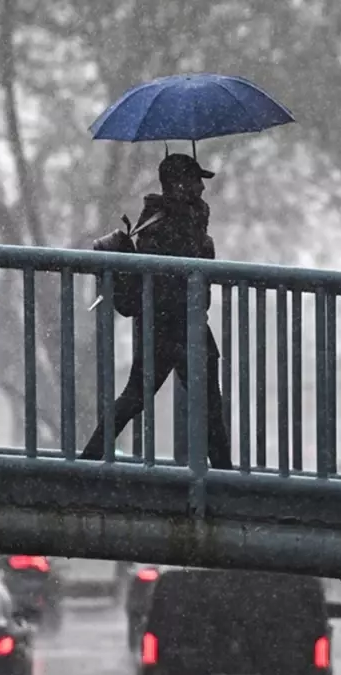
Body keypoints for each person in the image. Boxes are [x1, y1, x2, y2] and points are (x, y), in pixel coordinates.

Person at [80, 153, 232, 469]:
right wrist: (201, 243)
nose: (202, 189)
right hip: (174, 327)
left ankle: (87, 462)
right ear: (178, 185)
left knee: (142, 397)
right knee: (199, 405)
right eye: (195, 181)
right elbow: (175, 280)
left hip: (173, 327)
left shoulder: (181, 220)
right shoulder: (160, 226)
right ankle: (224, 478)